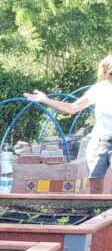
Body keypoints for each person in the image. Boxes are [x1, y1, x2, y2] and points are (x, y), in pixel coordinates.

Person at [25, 55, 112, 193]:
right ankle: (96, 213)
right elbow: (72, 108)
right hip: (100, 143)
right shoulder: (100, 88)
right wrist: (46, 100)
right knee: (95, 188)